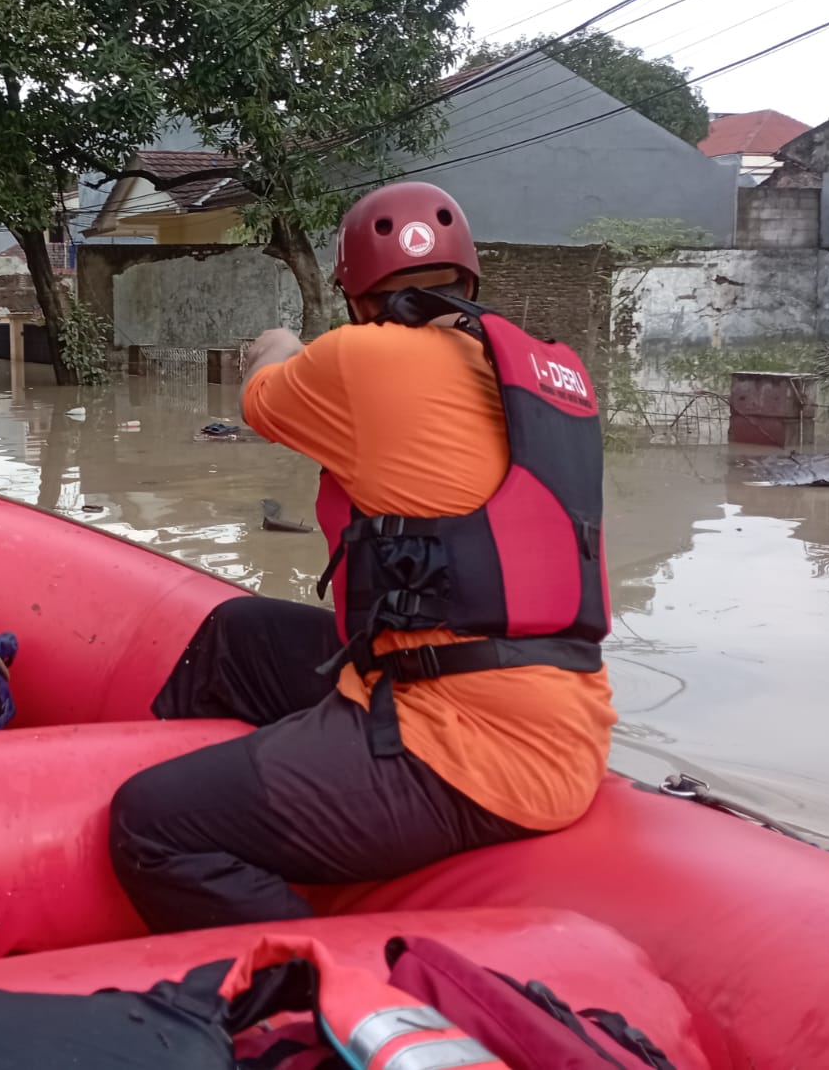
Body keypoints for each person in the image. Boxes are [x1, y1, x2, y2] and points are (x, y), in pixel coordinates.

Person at [109, 181, 617, 931]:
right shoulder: (546, 377)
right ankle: (251, 789)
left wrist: (278, 347)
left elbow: (258, 400)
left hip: (473, 748)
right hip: (562, 714)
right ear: (469, 281)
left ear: (353, 297)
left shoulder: (356, 356)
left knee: (150, 821)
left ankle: (319, 988)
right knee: (238, 635)